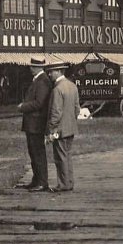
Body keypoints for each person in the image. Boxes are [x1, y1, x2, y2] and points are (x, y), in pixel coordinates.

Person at [16, 57, 52, 192]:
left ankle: (42, 182)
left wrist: (23, 107)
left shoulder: (42, 81)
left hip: (37, 123)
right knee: (34, 152)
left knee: (38, 153)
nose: (30, 68)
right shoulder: (39, 80)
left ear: (37, 67)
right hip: (34, 123)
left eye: (32, 66)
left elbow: (39, 103)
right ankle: (37, 179)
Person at [45, 61, 79, 192]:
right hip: (71, 128)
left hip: (59, 129)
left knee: (60, 157)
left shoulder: (57, 89)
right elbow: (77, 109)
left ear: (59, 71)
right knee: (67, 155)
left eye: (51, 72)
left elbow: (56, 113)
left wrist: (51, 130)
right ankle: (69, 182)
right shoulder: (72, 86)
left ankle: (63, 184)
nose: (49, 74)